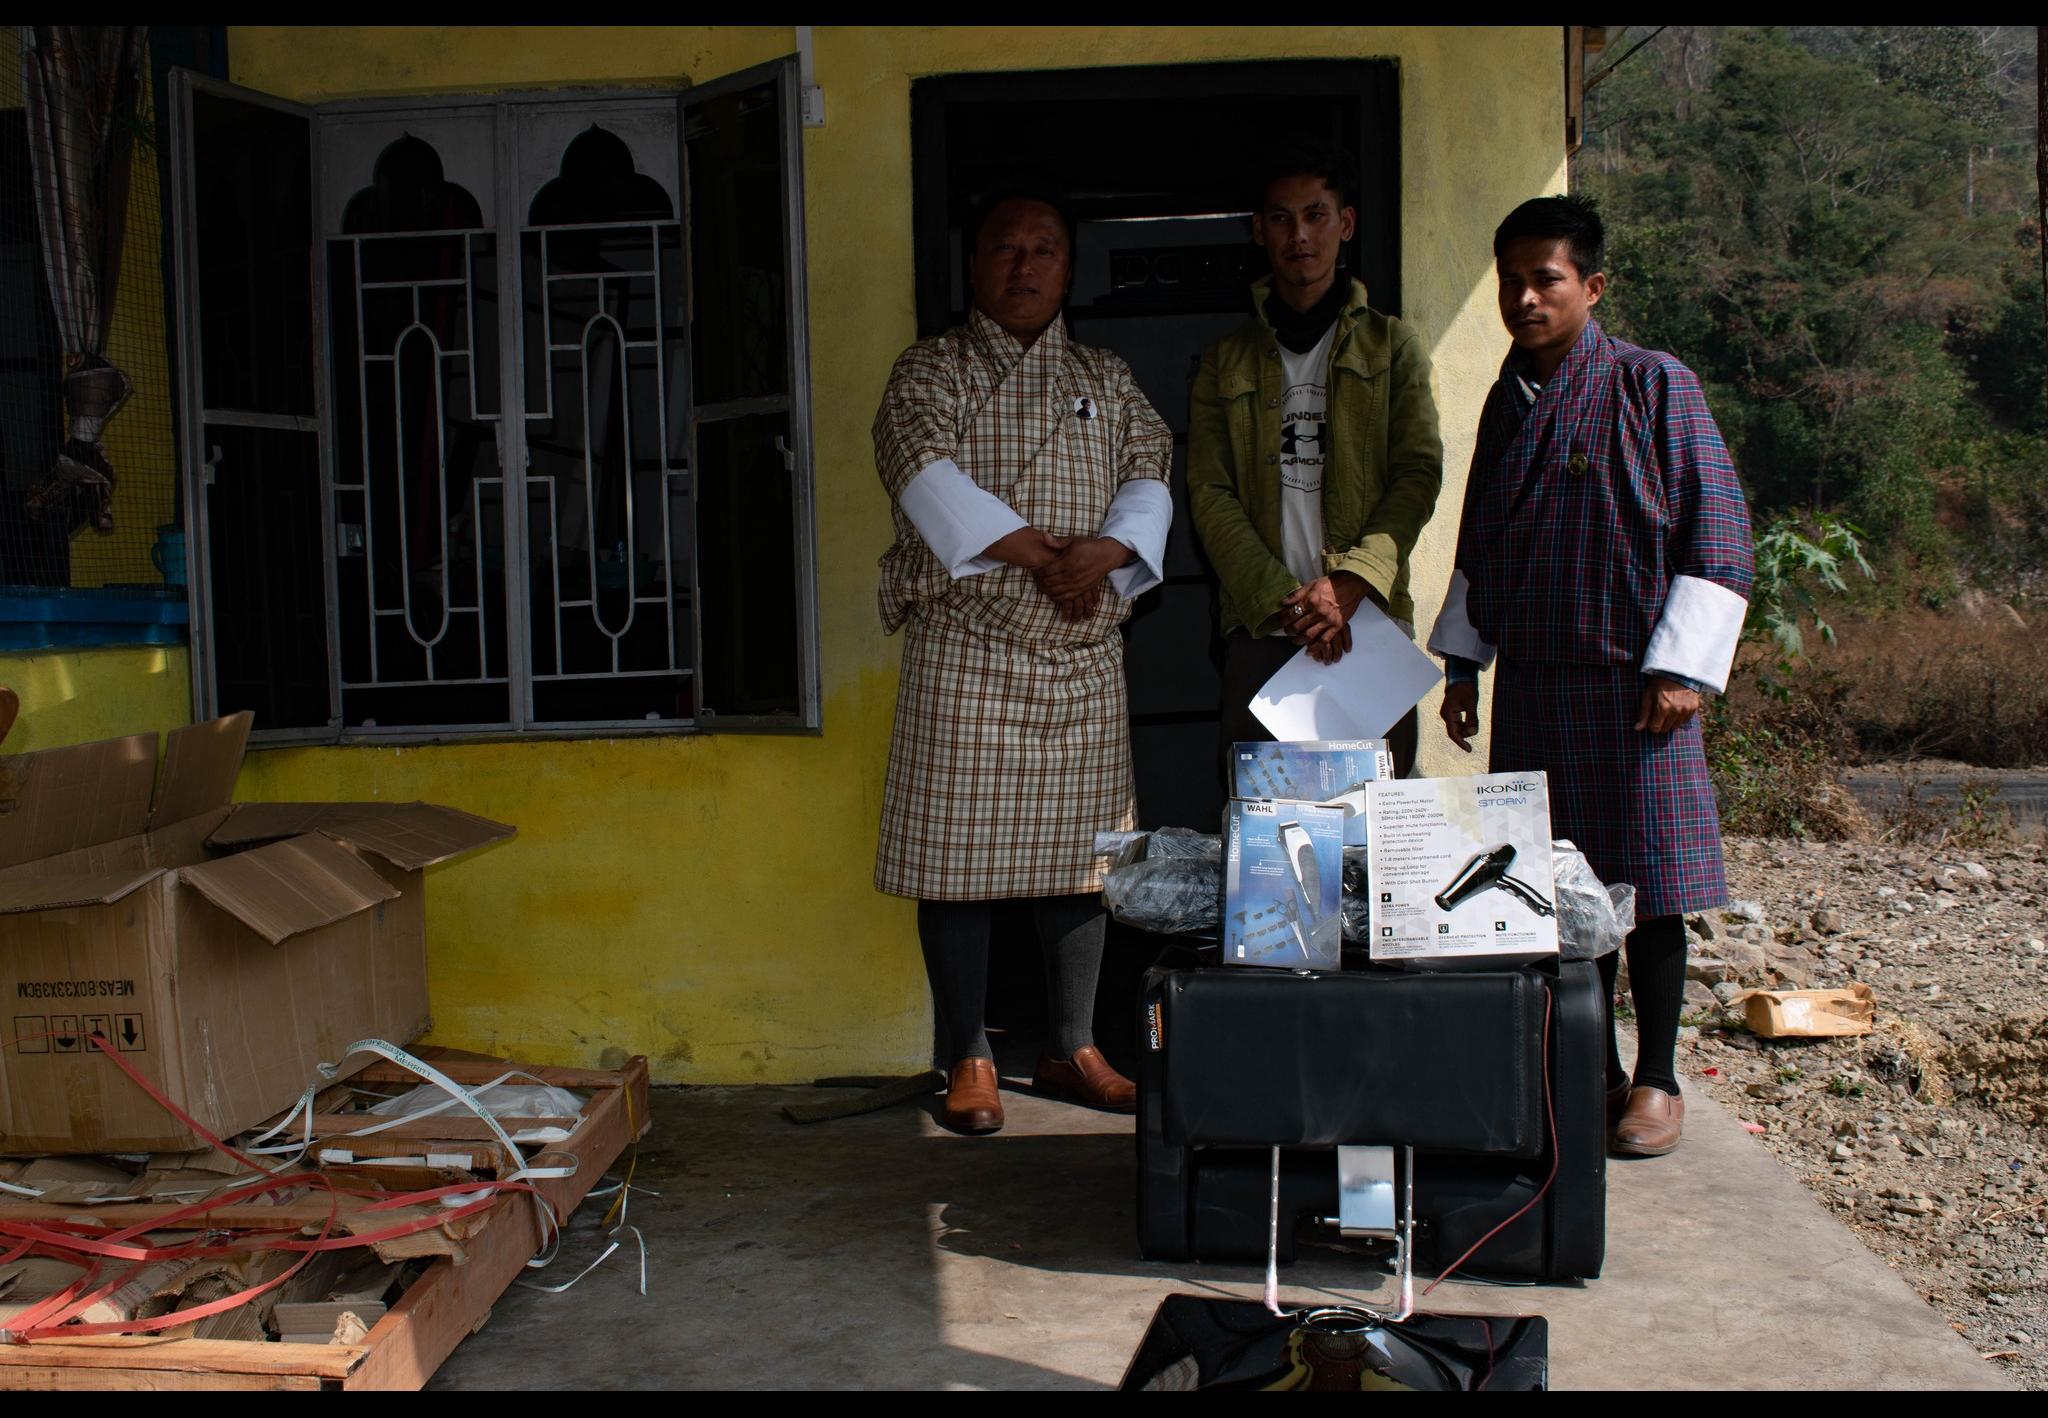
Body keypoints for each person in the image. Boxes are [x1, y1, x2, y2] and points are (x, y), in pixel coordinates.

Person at [1429, 194, 1754, 1157]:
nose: (1526, 299)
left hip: (1636, 687)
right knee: (1551, 894)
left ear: (1593, 286)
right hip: (1535, 679)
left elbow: (1721, 530)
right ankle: (1591, 1070)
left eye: (1548, 280)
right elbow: (1480, 537)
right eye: (1512, 282)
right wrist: (1462, 667)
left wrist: (1679, 669)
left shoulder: (1656, 385)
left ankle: (1656, 1079)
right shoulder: (1505, 398)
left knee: (1649, 885)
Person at [872, 183, 1174, 1136]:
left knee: (1082, 861)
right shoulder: (932, 370)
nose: (1025, 265)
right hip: (966, 643)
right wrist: (1044, 555)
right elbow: (920, 468)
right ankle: (968, 1048)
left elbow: (1151, 466)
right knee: (956, 858)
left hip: (1079, 650)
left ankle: (1075, 1045)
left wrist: (1111, 551)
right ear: (974, 263)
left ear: (1068, 266)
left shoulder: (1107, 373)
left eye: (1044, 249)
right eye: (1006, 247)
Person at [1187, 141, 1444, 777]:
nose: (1299, 234)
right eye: (1280, 218)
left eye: (1316, 214)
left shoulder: (1393, 345)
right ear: (1259, 231)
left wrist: (1351, 583)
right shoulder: (1226, 360)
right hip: (1261, 630)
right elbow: (1209, 492)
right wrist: (1288, 602)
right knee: (1265, 834)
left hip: (1366, 628)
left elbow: (1418, 473)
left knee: (1377, 832)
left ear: (1345, 223)